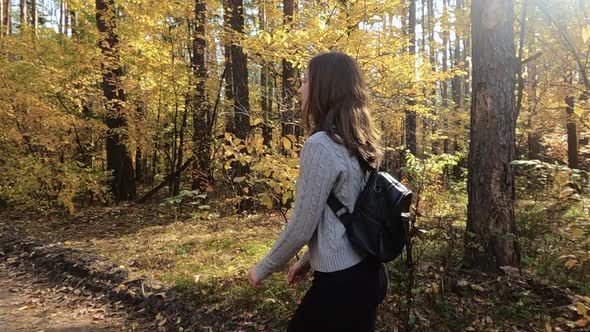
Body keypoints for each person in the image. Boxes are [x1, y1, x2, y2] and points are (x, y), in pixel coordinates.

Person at [247, 51, 388, 332]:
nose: (300, 89)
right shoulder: (359, 142)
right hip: (370, 274)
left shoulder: (321, 145)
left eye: (306, 81)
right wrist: (305, 261)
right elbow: (344, 217)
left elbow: (302, 224)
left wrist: (264, 267)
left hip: (340, 285)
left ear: (325, 88)